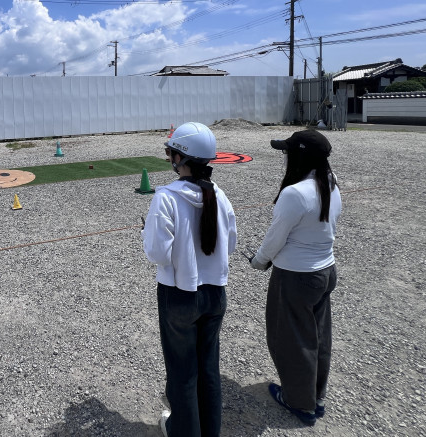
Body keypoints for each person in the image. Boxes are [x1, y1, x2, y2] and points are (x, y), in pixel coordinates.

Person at [142, 122, 238, 437]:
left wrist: (145, 233)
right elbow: (230, 244)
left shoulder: (166, 197)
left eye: (170, 151)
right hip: (216, 293)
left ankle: (182, 429)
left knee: (182, 371)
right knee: (208, 367)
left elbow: (157, 253)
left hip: (179, 294)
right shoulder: (220, 195)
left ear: (179, 158)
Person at [247, 129, 341, 427]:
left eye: (287, 152)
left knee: (291, 340)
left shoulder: (295, 193)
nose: (285, 157)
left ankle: (300, 402)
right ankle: (316, 395)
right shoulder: (330, 182)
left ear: (299, 157)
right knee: (318, 336)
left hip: (296, 276)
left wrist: (259, 261)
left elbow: (275, 237)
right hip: (325, 269)